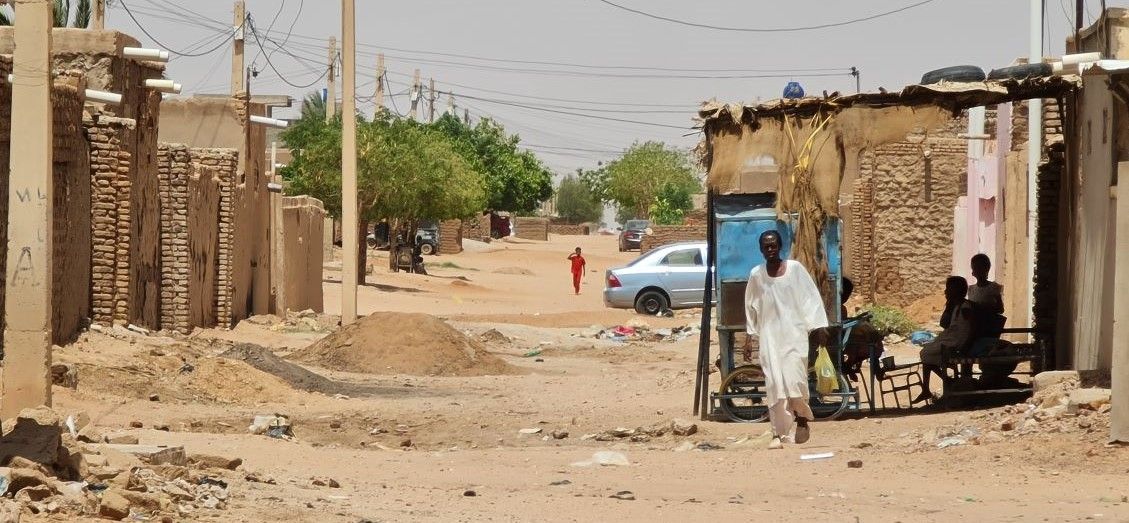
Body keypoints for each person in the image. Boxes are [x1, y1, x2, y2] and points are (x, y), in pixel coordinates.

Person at [743, 230, 829, 449]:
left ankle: (801, 419)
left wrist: (819, 327)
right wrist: (749, 337)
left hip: (794, 335)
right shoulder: (756, 275)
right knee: (774, 383)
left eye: (773, 245)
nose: (770, 249)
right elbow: (750, 306)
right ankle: (777, 433)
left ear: (779, 246)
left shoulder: (795, 270)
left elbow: (811, 298)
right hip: (769, 338)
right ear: (761, 249)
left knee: (794, 380)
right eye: (766, 246)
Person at [914, 276, 976, 404]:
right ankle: (938, 384)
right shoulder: (955, 306)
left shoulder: (965, 307)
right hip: (950, 339)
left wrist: (966, 345)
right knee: (926, 353)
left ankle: (945, 382)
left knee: (925, 353)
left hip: (956, 341)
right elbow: (944, 323)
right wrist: (948, 306)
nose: (945, 292)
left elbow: (971, 328)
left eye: (948, 289)